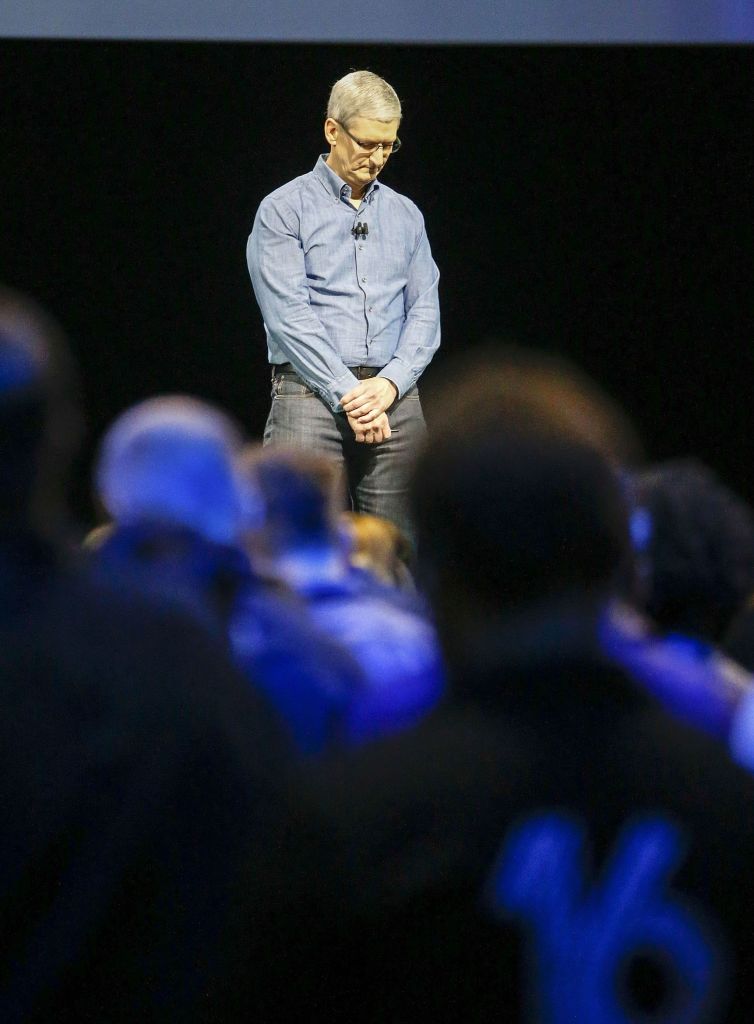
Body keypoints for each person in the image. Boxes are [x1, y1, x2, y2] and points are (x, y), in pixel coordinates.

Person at [246, 70, 440, 545]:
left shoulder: (405, 214)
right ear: (333, 130)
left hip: (395, 399)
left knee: (405, 551)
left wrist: (390, 383)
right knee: (298, 546)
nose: (377, 159)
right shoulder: (283, 209)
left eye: (388, 147)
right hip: (309, 395)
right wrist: (350, 393)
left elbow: (425, 312)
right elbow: (288, 315)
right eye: (368, 143)